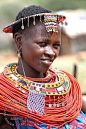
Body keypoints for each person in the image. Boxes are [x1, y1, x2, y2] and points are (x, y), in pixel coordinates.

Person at [0, 5, 86, 129]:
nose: (51, 52)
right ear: (19, 41)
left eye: (56, 45)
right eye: (42, 44)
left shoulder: (66, 86)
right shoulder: (4, 92)